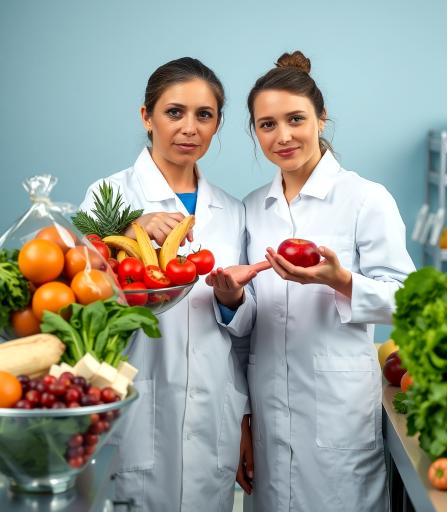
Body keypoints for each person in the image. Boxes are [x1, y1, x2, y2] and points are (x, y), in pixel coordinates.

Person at [209, 51, 416, 511]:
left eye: (295, 119)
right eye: (266, 124)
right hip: (266, 417)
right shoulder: (252, 208)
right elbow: (246, 330)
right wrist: (231, 299)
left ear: (321, 119)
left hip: (338, 418)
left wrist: (343, 282)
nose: (282, 136)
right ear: (254, 132)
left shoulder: (365, 199)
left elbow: (409, 300)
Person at [80, 58, 257, 511]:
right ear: (146, 116)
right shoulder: (111, 197)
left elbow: (244, 333)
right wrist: (127, 228)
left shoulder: (233, 211)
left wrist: (232, 301)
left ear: (217, 123)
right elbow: (83, 302)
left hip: (213, 407)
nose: (189, 128)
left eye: (204, 115)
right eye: (174, 112)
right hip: (137, 403)